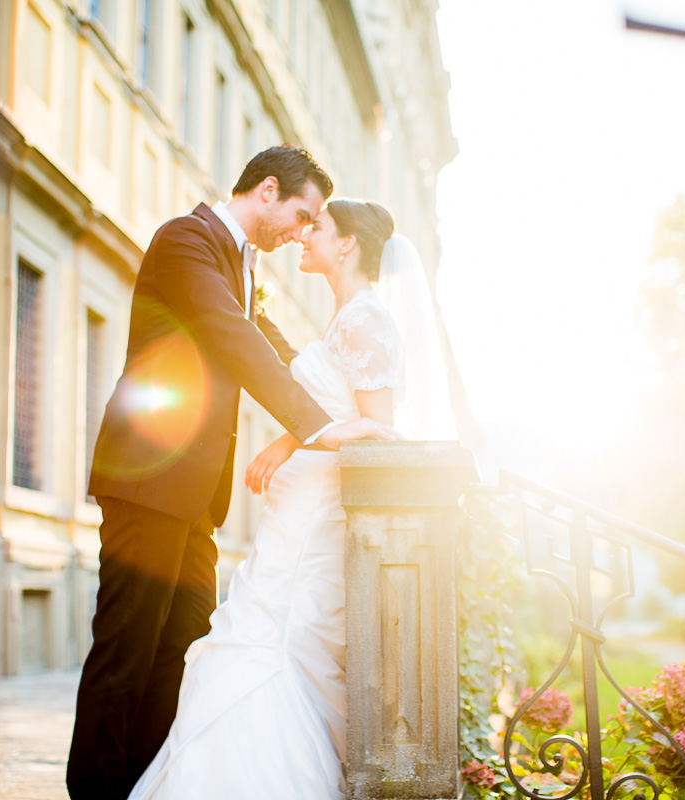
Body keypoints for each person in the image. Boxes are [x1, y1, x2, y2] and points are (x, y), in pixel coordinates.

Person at [67, 147, 399, 800]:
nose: (302, 231)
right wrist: (319, 428)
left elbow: (278, 349)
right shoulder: (186, 240)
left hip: (194, 499)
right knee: (126, 652)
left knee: (181, 651)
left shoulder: (244, 268)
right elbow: (229, 334)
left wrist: (339, 389)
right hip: (148, 481)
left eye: (314, 225)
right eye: (300, 215)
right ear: (267, 191)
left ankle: (149, 787)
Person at [124, 200, 453, 800]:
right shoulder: (345, 318)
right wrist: (287, 441)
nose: (305, 236)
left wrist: (303, 445)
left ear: (347, 244)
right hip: (294, 511)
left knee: (272, 640)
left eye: (318, 228)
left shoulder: (365, 322)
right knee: (258, 634)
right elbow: (338, 412)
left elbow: (378, 431)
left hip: (313, 521)